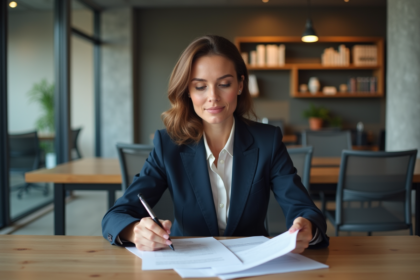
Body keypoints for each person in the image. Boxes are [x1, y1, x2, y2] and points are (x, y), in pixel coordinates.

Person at [102, 35, 329, 253]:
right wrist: (135, 231)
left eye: (224, 84)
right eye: (200, 86)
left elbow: (304, 209)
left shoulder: (267, 141)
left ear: (240, 85)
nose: (213, 97)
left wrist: (307, 228)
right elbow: (116, 214)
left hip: (253, 266)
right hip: (188, 264)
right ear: (188, 91)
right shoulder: (168, 144)